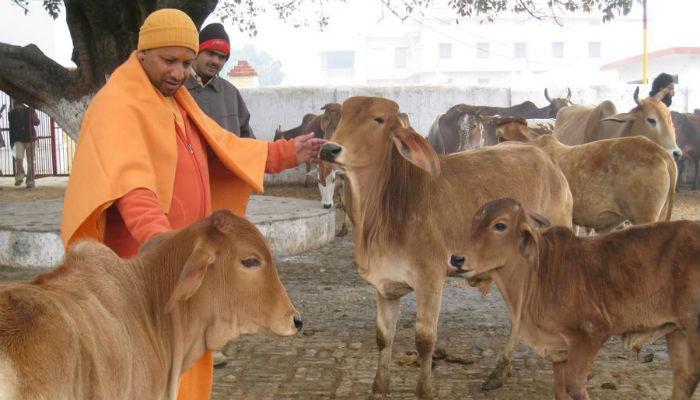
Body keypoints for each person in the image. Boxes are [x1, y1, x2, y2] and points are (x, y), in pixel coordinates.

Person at [60, 9, 323, 400]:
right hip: (149, 275)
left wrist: (287, 152)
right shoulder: (119, 104)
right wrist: (170, 254)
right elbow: (135, 191)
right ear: (143, 52)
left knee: (187, 374)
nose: (180, 73)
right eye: (170, 61)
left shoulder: (176, 99)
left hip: (184, 269)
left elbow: (222, 147)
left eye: (186, 62)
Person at [186, 23, 254, 138]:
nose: (215, 61)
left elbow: (248, 139)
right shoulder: (176, 87)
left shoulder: (231, 93)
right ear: (196, 52)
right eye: (210, 53)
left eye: (222, 57)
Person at [8, 99, 39, 188]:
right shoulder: (11, 114)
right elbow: (11, 129)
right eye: (15, 107)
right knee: (18, 159)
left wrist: (34, 118)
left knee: (30, 161)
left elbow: (37, 123)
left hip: (30, 138)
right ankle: (20, 177)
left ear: (22, 105)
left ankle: (30, 180)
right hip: (18, 139)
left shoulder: (30, 111)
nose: (17, 108)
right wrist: (12, 142)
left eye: (18, 106)